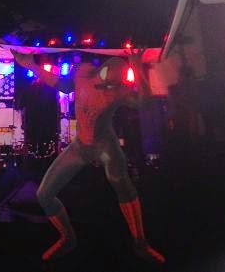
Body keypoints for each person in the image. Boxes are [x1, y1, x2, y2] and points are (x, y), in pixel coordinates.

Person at [11, 48, 165, 265]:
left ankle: (140, 242)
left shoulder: (120, 90)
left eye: (113, 84)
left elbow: (144, 103)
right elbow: (61, 84)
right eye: (106, 78)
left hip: (105, 145)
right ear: (101, 70)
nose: (107, 86)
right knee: (44, 194)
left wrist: (137, 67)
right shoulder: (83, 74)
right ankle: (68, 238)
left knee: (121, 183)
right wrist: (31, 65)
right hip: (81, 145)